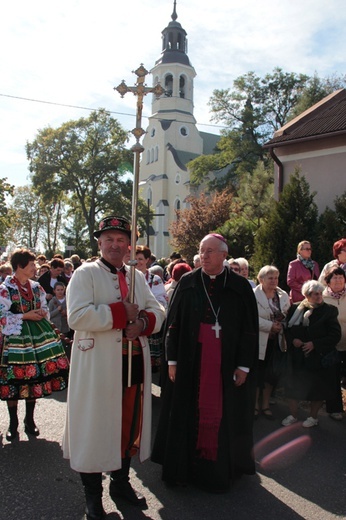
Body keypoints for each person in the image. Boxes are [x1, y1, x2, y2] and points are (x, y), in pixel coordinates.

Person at [62, 216, 165, 520]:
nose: (115, 245)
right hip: (97, 369)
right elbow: (77, 317)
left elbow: (158, 308)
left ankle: (120, 484)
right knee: (94, 429)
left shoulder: (137, 277)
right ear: (99, 243)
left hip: (132, 365)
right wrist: (120, 314)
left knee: (126, 427)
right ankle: (93, 498)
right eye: (109, 239)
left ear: (129, 245)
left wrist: (144, 322)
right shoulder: (84, 274)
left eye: (121, 240)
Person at [151, 233, 259, 493]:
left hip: (226, 363)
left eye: (211, 251)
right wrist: (172, 361)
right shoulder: (188, 282)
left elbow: (249, 330)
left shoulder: (240, 286)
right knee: (185, 412)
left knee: (224, 414)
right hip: (190, 362)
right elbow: (173, 325)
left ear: (224, 255)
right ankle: (181, 469)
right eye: (202, 250)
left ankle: (221, 470)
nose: (205, 255)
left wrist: (244, 366)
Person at [0, 249, 69, 441]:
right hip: (13, 339)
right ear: (20, 266)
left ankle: (29, 420)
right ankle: (13, 423)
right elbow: (1, 315)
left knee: (35, 376)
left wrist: (40, 312)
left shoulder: (36, 287)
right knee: (13, 379)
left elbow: (44, 308)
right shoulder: (5, 290)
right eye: (31, 265)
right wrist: (24, 315)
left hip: (37, 338)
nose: (35, 268)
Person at [282, 280, 341, 428]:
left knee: (318, 389)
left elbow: (335, 335)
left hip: (318, 357)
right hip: (297, 356)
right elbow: (287, 329)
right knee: (292, 387)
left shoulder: (329, 311)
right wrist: (293, 339)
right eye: (315, 294)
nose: (319, 297)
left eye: (320, 293)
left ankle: (313, 417)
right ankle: (293, 415)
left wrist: (314, 344)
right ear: (307, 295)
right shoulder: (296, 308)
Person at [253, 266, 290, 419]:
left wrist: (280, 326)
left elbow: (288, 315)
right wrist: (269, 326)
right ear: (261, 280)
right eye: (270, 278)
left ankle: (265, 404)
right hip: (259, 341)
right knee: (256, 374)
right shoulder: (253, 295)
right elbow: (250, 317)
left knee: (271, 376)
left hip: (276, 342)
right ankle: (254, 405)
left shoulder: (283, 295)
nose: (274, 281)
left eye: (276, 278)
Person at [135, 245, 168, 370]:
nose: (138, 262)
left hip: (148, 319)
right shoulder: (129, 276)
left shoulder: (155, 279)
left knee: (149, 362)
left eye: (141, 259)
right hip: (134, 321)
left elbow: (160, 300)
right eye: (136, 259)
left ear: (147, 260)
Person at [323, 267, 346, 420]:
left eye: (341, 277)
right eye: (334, 277)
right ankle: (334, 409)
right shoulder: (322, 297)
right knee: (332, 378)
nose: (338, 280)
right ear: (328, 281)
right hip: (330, 345)